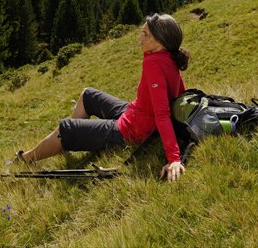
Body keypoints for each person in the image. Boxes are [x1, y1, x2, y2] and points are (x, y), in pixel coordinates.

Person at [17, 13, 189, 182]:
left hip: (132, 130)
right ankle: (63, 144)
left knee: (66, 128)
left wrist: (173, 158)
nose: (139, 38)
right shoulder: (170, 56)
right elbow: (180, 94)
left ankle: (25, 159)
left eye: (145, 34)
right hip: (135, 112)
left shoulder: (153, 63)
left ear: (159, 41)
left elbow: (162, 113)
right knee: (88, 94)